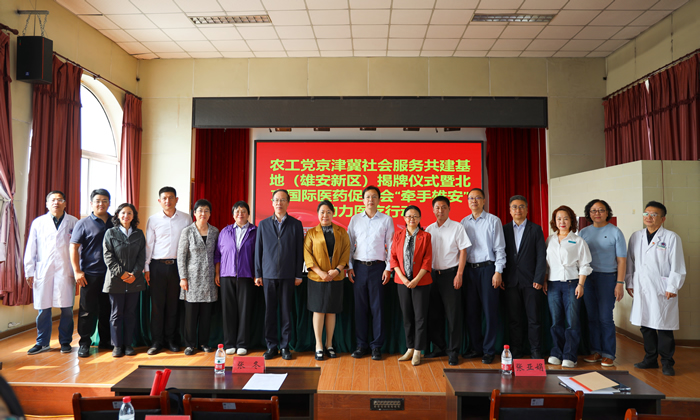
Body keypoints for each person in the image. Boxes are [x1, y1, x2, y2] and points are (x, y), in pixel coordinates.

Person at [625, 201, 685, 376]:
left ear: (663, 218)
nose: (649, 217)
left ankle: (667, 362)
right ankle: (650, 359)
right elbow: (630, 262)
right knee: (645, 325)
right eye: (646, 214)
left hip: (662, 288)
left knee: (664, 326)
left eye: (653, 214)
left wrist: (672, 286)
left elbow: (677, 265)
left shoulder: (671, 238)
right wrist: (630, 282)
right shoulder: (636, 236)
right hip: (642, 287)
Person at [24, 191, 79, 355]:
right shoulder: (38, 222)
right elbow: (31, 247)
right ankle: (42, 343)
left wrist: (78, 270)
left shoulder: (74, 222)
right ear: (47, 204)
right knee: (43, 309)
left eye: (60, 200)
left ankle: (65, 342)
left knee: (67, 309)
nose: (56, 202)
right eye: (53, 200)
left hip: (66, 270)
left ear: (65, 203)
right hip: (44, 270)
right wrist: (29, 270)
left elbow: (79, 249)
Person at [254, 189, 304, 360]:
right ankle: (271, 346)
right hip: (268, 274)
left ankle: (285, 347)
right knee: (270, 312)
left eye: (283, 200)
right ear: (272, 202)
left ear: (288, 203)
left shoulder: (296, 224)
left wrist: (298, 274)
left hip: (288, 274)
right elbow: (258, 250)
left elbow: (299, 252)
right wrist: (258, 273)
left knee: (285, 312)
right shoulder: (263, 224)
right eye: (276, 200)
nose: (279, 203)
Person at [347, 186, 394, 361]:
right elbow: (349, 245)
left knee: (378, 308)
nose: (370, 200)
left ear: (379, 200)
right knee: (360, 308)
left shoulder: (386, 220)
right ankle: (361, 345)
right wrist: (349, 266)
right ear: (363, 200)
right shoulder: (355, 220)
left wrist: (388, 268)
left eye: (374, 197)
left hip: (378, 268)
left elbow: (391, 245)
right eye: (367, 197)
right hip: (359, 267)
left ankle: (376, 346)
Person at [579, 199, 627, 367]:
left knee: (605, 317)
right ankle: (596, 351)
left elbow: (622, 260)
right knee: (592, 317)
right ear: (589, 213)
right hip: (588, 278)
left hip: (608, 278)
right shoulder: (583, 233)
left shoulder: (615, 232)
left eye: (601, 210)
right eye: (593, 210)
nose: (597, 213)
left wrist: (620, 283)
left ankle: (608, 353)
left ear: (607, 212)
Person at [460, 188, 506, 364]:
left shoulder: (493, 221)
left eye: (477, 198)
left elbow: (500, 248)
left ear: (484, 201)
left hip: (488, 269)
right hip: (469, 271)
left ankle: (489, 350)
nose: (474, 201)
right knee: (471, 312)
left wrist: (498, 272)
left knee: (490, 311)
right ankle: (476, 348)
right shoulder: (463, 222)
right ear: (467, 201)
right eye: (471, 198)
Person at [145, 186, 191, 355]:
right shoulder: (153, 219)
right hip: (157, 266)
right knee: (157, 306)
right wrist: (146, 267)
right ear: (159, 201)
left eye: (171, 197)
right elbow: (149, 244)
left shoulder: (186, 218)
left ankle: (171, 340)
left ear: (176, 199)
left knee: (173, 305)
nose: (168, 201)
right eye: (164, 198)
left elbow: (189, 244)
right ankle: (156, 342)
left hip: (177, 267)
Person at [424, 196, 470, 366]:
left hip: (451, 275)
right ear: (433, 210)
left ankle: (453, 351)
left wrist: (459, 274)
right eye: (437, 207)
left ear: (449, 209)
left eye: (444, 207)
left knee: (453, 315)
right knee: (434, 314)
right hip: (433, 276)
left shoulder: (457, 227)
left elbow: (463, 251)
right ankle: (439, 347)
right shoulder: (429, 229)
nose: (440, 210)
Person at [545, 205, 592, 368]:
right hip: (553, 284)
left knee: (572, 321)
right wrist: (545, 280)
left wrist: (581, 284)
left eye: (566, 218)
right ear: (554, 221)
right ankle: (556, 352)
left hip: (572, 284)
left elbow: (585, 264)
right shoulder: (550, 240)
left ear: (571, 220)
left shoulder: (578, 241)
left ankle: (570, 355)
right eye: (559, 218)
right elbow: (546, 264)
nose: (562, 221)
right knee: (555, 321)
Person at [303, 200, 350, 361]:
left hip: (336, 277)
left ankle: (329, 344)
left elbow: (346, 252)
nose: (325, 215)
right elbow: (307, 255)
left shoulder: (341, 232)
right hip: (317, 278)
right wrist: (320, 272)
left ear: (333, 214)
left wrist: (337, 270)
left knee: (331, 310)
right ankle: (319, 345)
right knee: (318, 310)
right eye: (322, 212)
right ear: (318, 214)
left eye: (328, 212)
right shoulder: (311, 233)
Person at [502, 195, 546, 360]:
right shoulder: (504, 229)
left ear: (527, 209)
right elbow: (500, 254)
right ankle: (516, 350)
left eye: (521, 206)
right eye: (514, 207)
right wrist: (502, 277)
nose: (518, 210)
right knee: (514, 319)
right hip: (510, 281)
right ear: (510, 210)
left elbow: (541, 256)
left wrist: (539, 278)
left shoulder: (535, 229)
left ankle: (535, 350)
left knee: (533, 318)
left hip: (531, 282)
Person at [70, 188, 113, 358]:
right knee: (87, 310)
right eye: (98, 201)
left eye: (104, 200)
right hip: (90, 274)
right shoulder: (83, 223)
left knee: (107, 309)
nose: (101, 204)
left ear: (109, 203)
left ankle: (106, 341)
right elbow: (74, 247)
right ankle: (84, 343)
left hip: (112, 274)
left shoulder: (115, 221)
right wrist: (77, 271)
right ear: (91, 203)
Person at [102, 203, 147, 357]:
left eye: (129, 213)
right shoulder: (110, 233)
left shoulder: (139, 234)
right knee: (116, 314)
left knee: (130, 314)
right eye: (123, 213)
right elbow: (108, 256)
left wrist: (134, 274)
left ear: (133, 216)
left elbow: (142, 256)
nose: (126, 216)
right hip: (115, 280)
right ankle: (117, 346)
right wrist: (122, 274)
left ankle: (128, 345)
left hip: (134, 280)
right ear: (117, 215)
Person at [390, 206, 433, 366]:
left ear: (420, 218)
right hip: (402, 282)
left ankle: (418, 351)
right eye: (409, 216)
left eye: (415, 216)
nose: (412, 219)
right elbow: (393, 258)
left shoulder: (426, 236)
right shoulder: (398, 235)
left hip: (421, 281)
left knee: (420, 317)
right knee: (407, 316)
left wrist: (416, 279)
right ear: (404, 218)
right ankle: (409, 347)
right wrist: (403, 278)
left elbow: (427, 260)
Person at [177, 199, 220, 356]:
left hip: (209, 279)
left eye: (206, 210)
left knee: (206, 315)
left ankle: (204, 343)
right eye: (200, 210)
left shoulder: (215, 231)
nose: (203, 213)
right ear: (194, 213)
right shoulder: (187, 231)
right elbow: (181, 256)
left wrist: (217, 273)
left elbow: (217, 255)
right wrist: (183, 277)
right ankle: (189, 345)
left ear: (210, 214)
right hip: (192, 279)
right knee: (190, 314)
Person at [216, 201, 257, 356]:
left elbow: (259, 255)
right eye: (237, 211)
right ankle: (229, 343)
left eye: (243, 211)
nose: (240, 214)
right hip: (227, 275)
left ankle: (242, 343)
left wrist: (257, 274)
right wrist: (217, 273)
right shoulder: (225, 231)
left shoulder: (255, 231)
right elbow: (218, 255)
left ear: (248, 214)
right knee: (228, 311)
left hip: (247, 275)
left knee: (245, 311)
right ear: (233, 214)